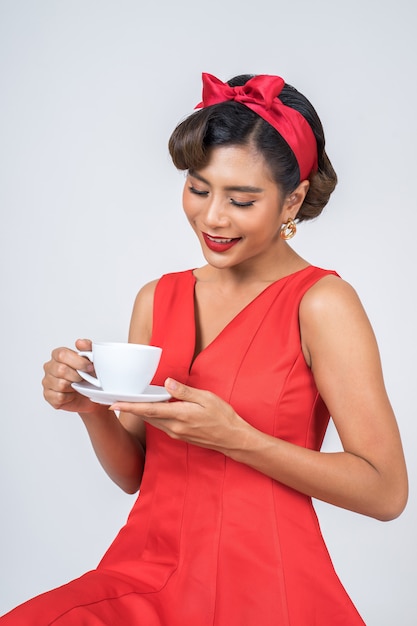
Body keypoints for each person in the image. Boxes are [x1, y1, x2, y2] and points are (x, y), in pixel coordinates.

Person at [1, 72, 408, 625]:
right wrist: (92, 410)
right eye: (198, 188)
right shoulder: (157, 297)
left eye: (242, 199)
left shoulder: (322, 303)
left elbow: (385, 492)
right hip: (145, 573)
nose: (212, 217)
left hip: (266, 588)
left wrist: (240, 440)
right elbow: (137, 474)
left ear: (293, 199)